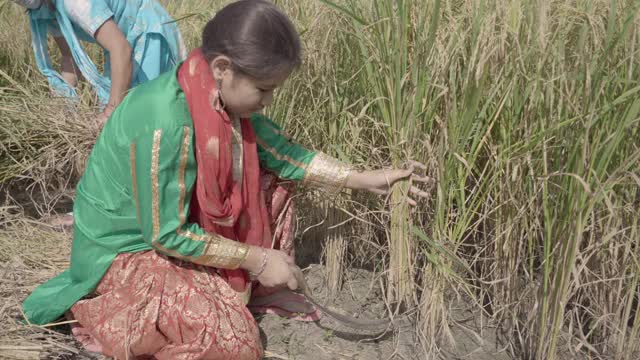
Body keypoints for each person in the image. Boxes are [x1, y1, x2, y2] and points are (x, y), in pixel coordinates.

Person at [22, 1, 431, 358]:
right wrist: (257, 258)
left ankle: (221, 291)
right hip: (126, 249)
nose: (269, 101)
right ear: (222, 68)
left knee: (275, 185)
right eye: (264, 89)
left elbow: (285, 156)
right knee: (233, 343)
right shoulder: (164, 120)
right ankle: (100, 308)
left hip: (167, 232)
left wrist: (365, 179)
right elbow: (165, 234)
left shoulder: (215, 93)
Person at [13, 0, 186, 123]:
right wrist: (60, 109)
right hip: (122, 43)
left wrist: (111, 112)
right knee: (114, 113)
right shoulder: (45, 11)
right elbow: (69, 59)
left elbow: (121, 49)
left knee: (141, 118)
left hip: (145, 32)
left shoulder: (77, 3)